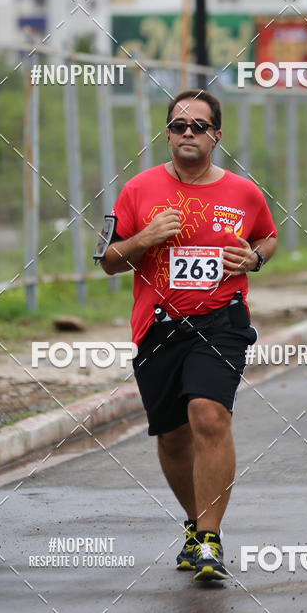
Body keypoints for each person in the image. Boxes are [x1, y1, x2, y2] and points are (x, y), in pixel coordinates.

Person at [98, 89, 277, 581]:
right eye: (179, 126)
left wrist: (255, 258)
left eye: (199, 126)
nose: (188, 133)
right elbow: (109, 262)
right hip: (158, 326)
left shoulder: (243, 192)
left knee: (208, 413)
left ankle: (211, 538)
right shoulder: (137, 190)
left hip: (222, 321)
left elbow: (268, 234)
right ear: (168, 134)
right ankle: (195, 527)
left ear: (216, 135)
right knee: (174, 437)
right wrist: (145, 238)